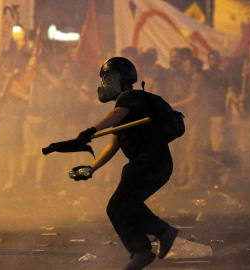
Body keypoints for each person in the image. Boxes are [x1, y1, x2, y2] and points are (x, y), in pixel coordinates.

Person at [69, 57, 178, 270]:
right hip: (148, 165)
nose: (104, 83)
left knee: (120, 206)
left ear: (124, 79)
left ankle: (153, 240)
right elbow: (112, 146)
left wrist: (91, 130)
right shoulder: (128, 106)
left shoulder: (132, 97)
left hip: (151, 163)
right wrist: (90, 168)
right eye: (103, 78)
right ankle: (143, 249)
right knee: (121, 207)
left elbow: (117, 113)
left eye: (109, 77)